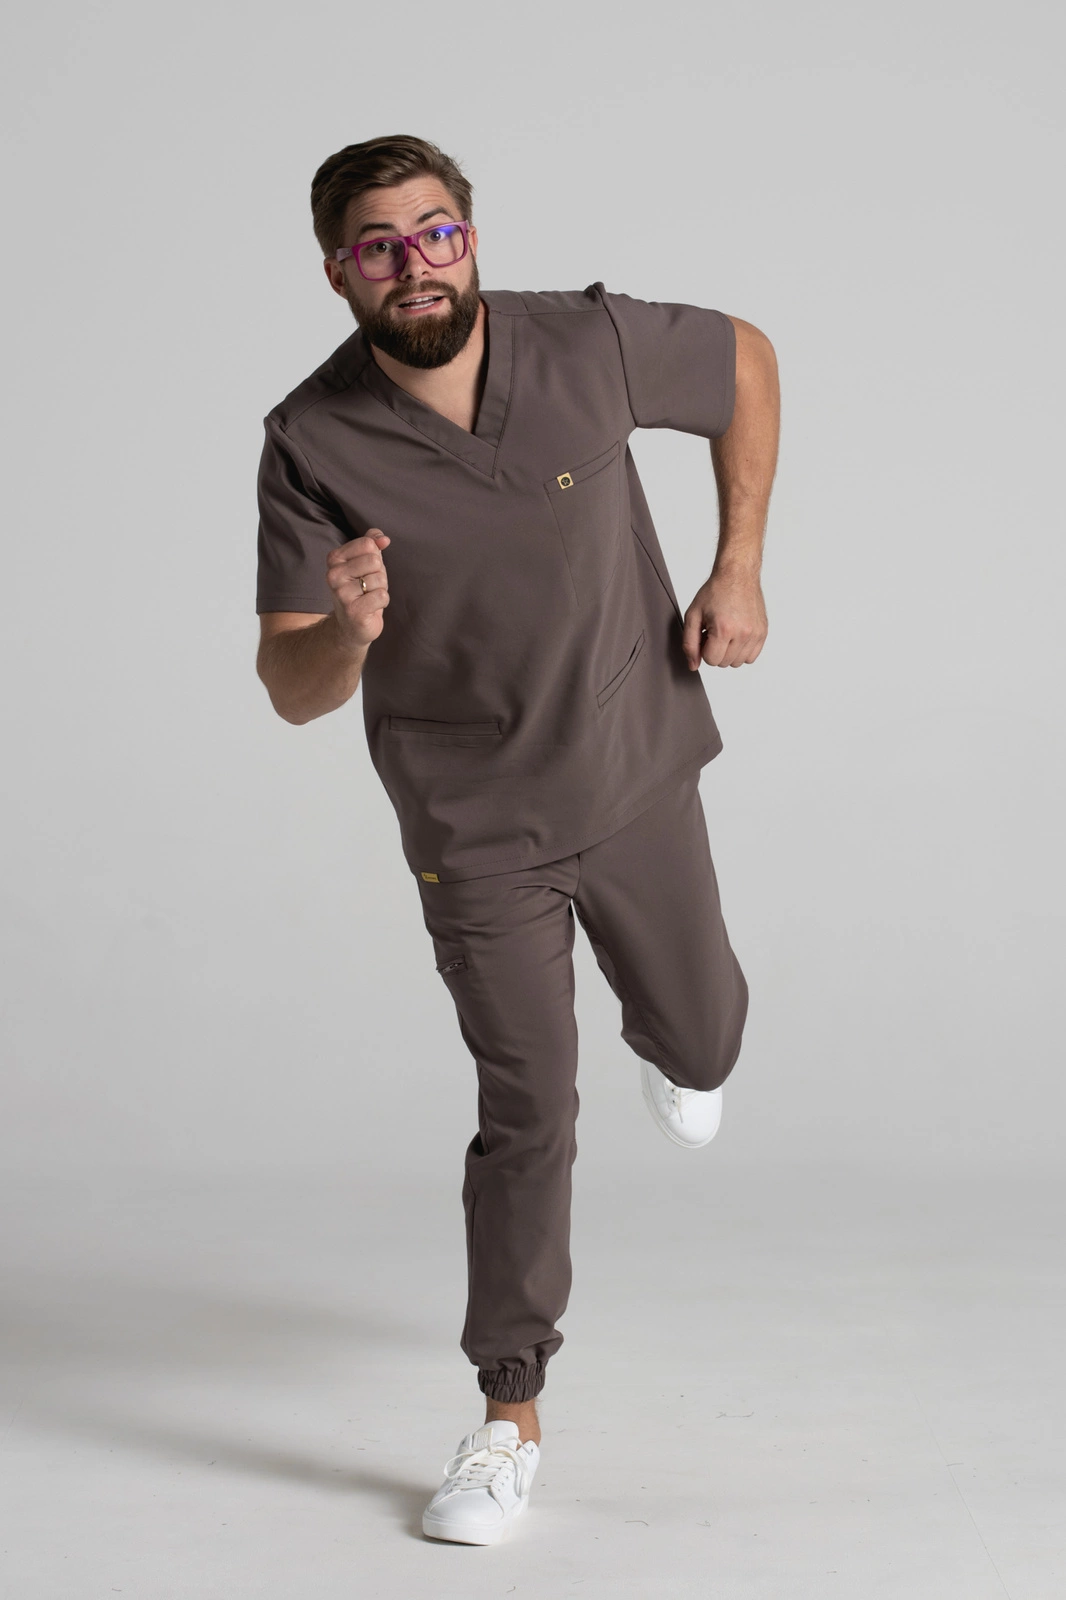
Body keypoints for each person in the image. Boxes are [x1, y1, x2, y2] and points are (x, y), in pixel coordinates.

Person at [254, 134, 779, 1546]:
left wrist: (736, 565)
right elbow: (292, 686)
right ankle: (507, 1416)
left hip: (632, 766)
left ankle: (679, 1041)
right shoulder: (310, 440)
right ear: (339, 273)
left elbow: (743, 360)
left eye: (436, 231)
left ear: (471, 237)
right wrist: (347, 632)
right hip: (475, 825)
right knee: (527, 1104)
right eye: (379, 245)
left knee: (706, 1039)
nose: (414, 263)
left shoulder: (583, 344)